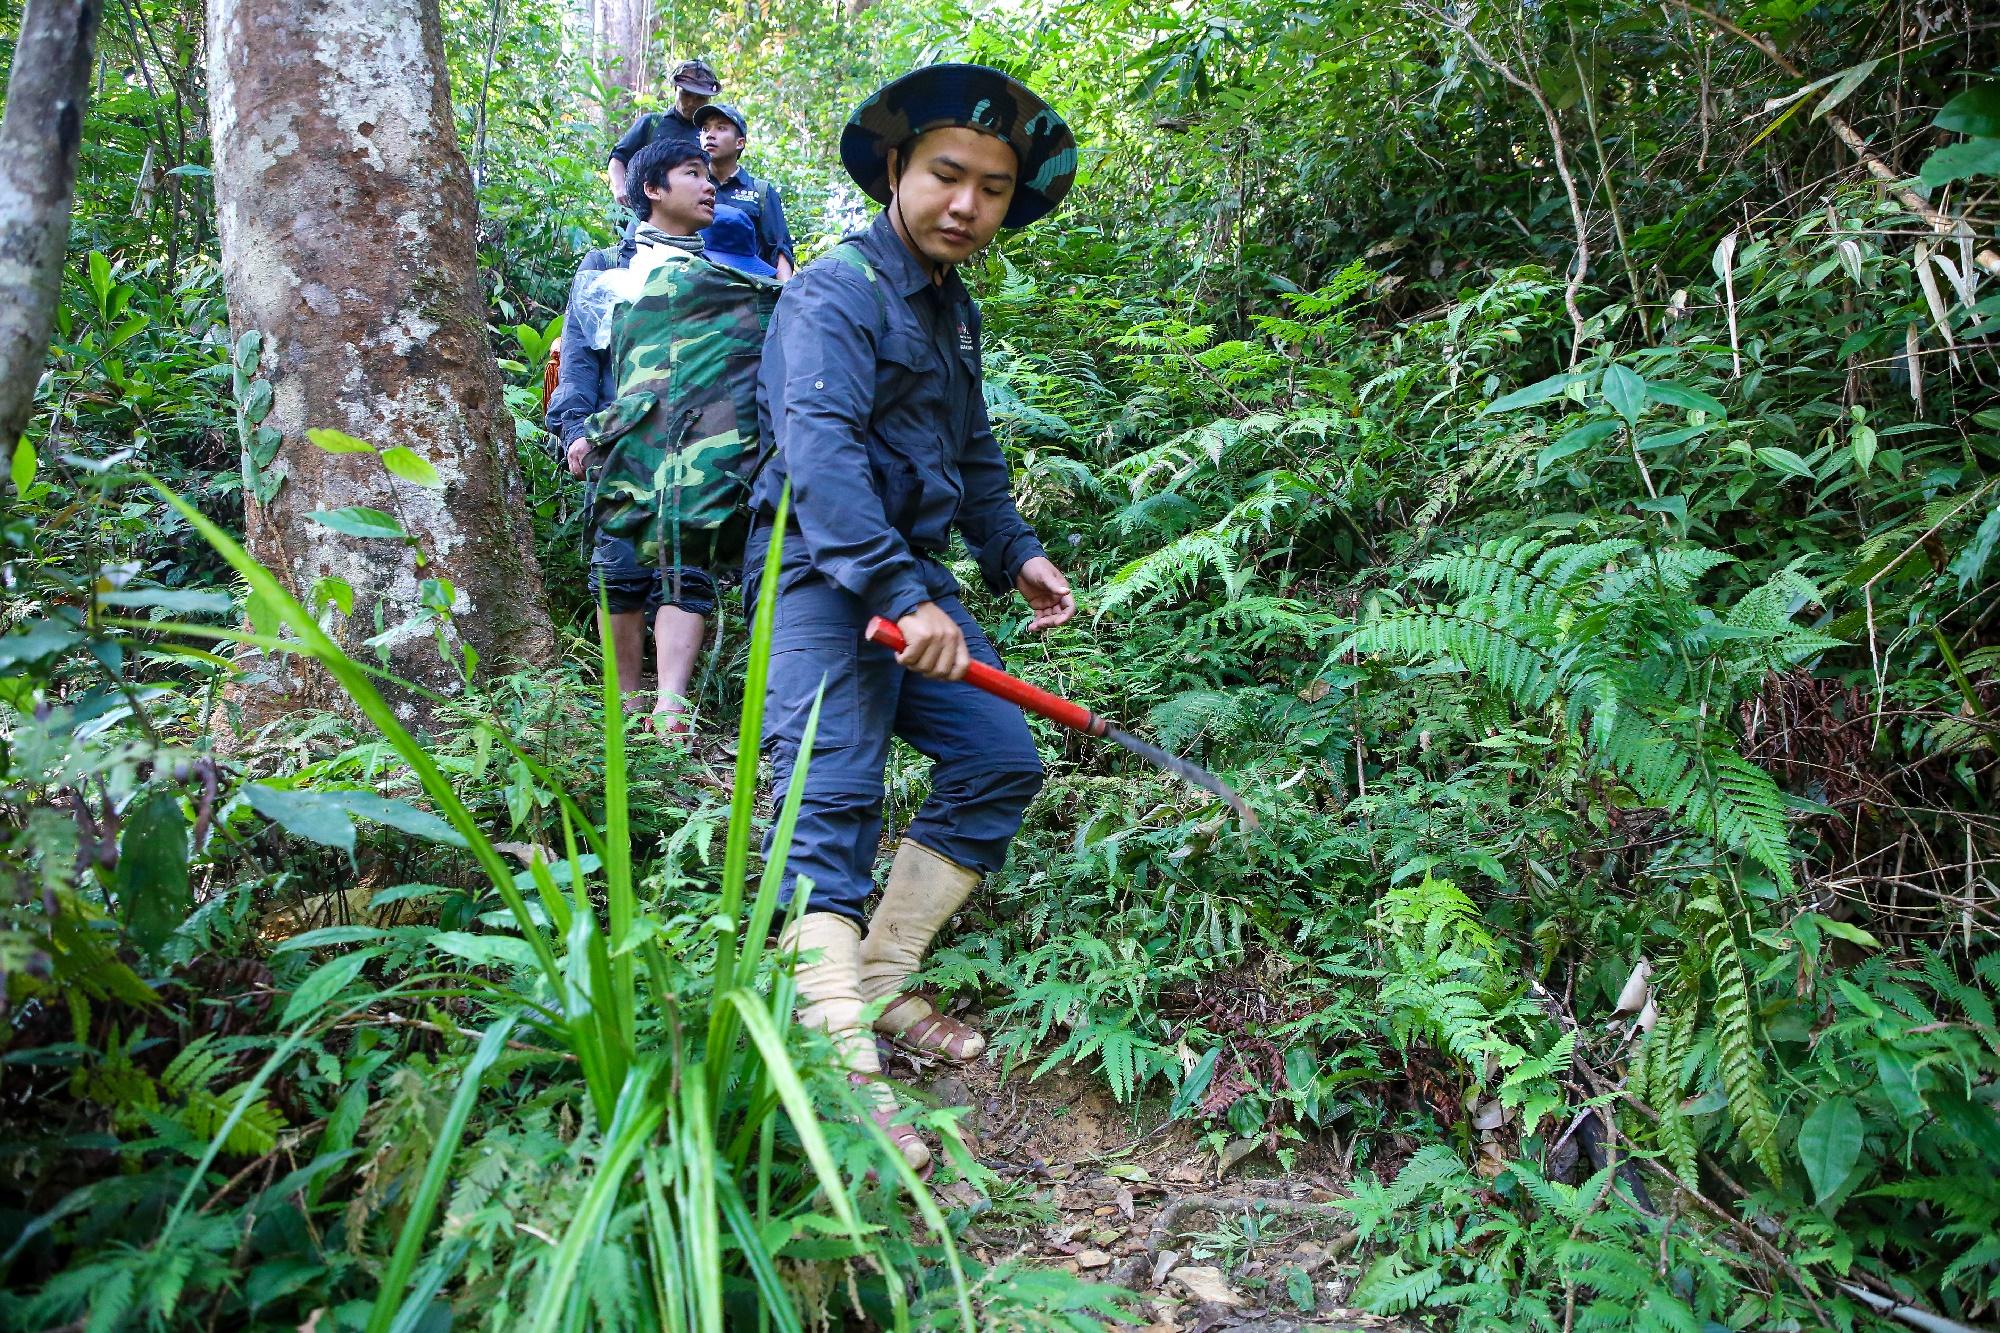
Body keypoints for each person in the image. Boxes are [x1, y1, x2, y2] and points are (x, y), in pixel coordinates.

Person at [751, 64, 1079, 1173]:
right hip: (818, 578)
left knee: (996, 758)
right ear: (895, 170)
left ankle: (882, 983)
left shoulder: (950, 309)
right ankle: (840, 1078)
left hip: (914, 578)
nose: (967, 206)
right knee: (826, 803)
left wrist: (1015, 551)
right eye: (948, 175)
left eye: (992, 189)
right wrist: (897, 594)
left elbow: (970, 455)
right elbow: (821, 452)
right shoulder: (833, 293)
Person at [556, 137, 721, 733]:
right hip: (619, 437)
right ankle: (624, 705)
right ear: (651, 189)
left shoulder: (719, 274)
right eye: (692, 173)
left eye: (711, 176)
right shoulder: (607, 268)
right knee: (620, 568)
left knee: (688, 568)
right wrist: (575, 430)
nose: (710, 186)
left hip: (700, 447)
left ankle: (671, 707)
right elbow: (581, 356)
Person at [605, 58, 720, 223]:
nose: (691, 102)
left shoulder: (709, 136)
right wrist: (620, 188)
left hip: (689, 223)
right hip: (642, 217)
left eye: (700, 98)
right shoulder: (652, 123)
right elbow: (618, 158)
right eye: (686, 94)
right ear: (675, 89)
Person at [694, 103, 796, 281]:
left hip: (750, 286)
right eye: (705, 129)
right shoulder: (691, 186)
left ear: (739, 143)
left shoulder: (761, 191)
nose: (710, 135)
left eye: (721, 128)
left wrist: (784, 296)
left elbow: (779, 248)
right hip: (698, 283)